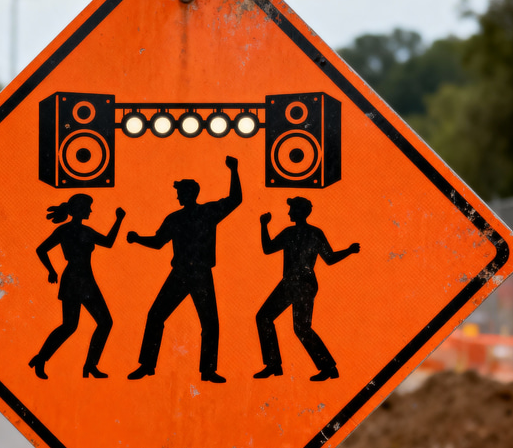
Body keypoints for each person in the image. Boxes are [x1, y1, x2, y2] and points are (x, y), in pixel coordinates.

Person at [126, 156, 242, 383]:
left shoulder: (207, 212)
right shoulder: (175, 218)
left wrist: (234, 170)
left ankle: (207, 371)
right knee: (156, 315)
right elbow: (159, 242)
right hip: (180, 274)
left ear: (190, 194)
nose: (178, 195)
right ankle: (147, 365)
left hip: (199, 274)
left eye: (180, 192)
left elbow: (235, 199)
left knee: (210, 323)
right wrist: (139, 238)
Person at [254, 196, 359, 382]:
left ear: (300, 212)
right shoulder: (297, 232)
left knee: (294, 325)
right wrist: (263, 226)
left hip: (300, 283)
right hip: (296, 283)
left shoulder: (307, 233)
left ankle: (324, 368)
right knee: (274, 319)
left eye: (292, 209)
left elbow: (329, 258)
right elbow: (269, 249)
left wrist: (264, 225)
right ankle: (276, 365)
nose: (289, 213)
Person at [29, 195, 125, 379]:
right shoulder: (65, 230)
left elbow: (108, 242)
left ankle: (90, 366)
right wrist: (51, 270)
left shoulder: (85, 230)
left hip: (86, 280)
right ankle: (41, 359)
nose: (90, 211)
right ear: (80, 210)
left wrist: (119, 220)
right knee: (70, 326)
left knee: (103, 322)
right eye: (88, 207)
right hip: (74, 279)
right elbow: (41, 249)